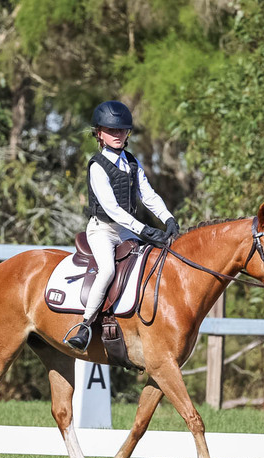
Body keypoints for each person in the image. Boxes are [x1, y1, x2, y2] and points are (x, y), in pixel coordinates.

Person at [64, 100, 179, 351]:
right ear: (99, 134)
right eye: (111, 130)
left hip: (126, 230)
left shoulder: (132, 162)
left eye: (122, 130)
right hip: (102, 230)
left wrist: (168, 218)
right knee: (107, 270)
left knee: (150, 262)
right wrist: (145, 230)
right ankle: (85, 325)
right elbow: (112, 209)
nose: (118, 135)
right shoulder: (97, 166)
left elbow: (148, 195)